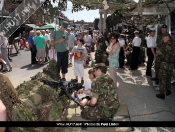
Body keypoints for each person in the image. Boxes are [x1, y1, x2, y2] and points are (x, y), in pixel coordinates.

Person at [156, 32, 175, 99]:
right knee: (168, 78)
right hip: (171, 64)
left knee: (162, 79)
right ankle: (168, 90)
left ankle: (162, 94)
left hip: (165, 64)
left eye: (163, 38)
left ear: (167, 37)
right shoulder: (173, 44)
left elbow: (160, 53)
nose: (163, 39)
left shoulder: (165, 45)